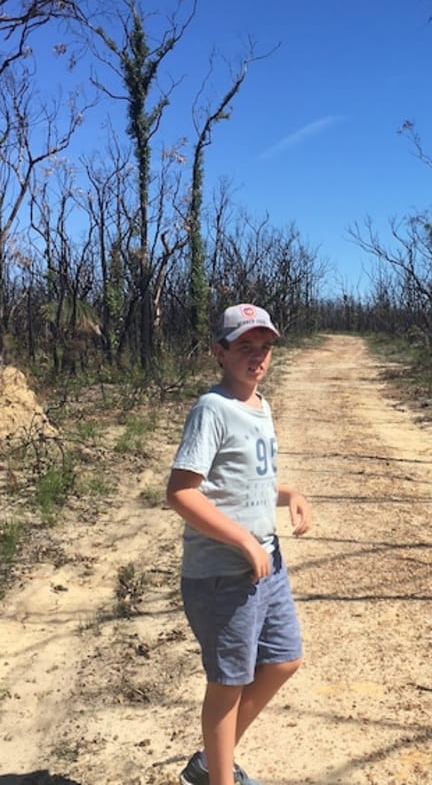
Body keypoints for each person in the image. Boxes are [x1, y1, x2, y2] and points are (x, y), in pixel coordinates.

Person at [166, 303, 312, 785]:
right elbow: (182, 492)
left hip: (267, 564)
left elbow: (242, 484)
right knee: (228, 684)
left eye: (265, 347)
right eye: (245, 346)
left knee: (285, 658)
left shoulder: (260, 406)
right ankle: (219, 777)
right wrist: (245, 543)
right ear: (220, 353)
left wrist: (287, 494)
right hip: (222, 576)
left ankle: (212, 761)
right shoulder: (212, 409)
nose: (257, 356)